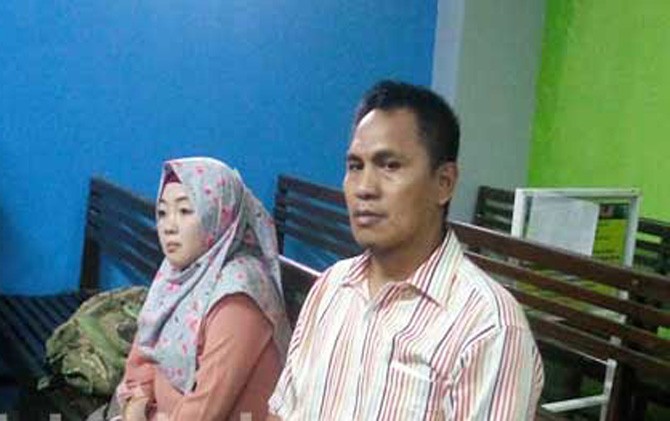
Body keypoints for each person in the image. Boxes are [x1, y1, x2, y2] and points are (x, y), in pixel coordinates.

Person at [268, 81, 544, 420]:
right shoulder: (331, 288)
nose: (364, 188)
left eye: (390, 165)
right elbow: (282, 411)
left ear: (444, 183)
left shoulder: (488, 328)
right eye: (355, 166)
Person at [115, 157, 291, 420]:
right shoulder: (177, 273)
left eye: (185, 211)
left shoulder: (239, 297)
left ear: (219, 214)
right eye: (162, 212)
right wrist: (136, 403)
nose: (169, 226)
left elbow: (205, 411)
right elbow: (145, 352)